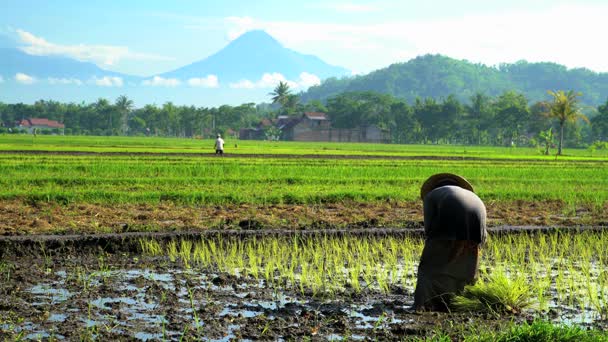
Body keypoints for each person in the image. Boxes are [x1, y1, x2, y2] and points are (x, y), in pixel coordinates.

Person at [413, 173, 487, 311]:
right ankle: (462, 302)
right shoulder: (468, 194)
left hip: (452, 211)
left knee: (428, 268)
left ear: (434, 186)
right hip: (479, 209)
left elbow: (429, 230)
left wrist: (432, 251)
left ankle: (423, 304)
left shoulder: (432, 195)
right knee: (467, 265)